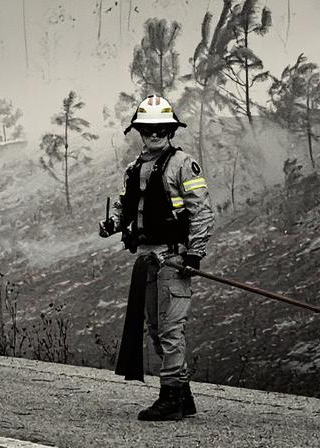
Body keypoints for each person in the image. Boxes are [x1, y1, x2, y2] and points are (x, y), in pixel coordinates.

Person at [99, 94, 214, 421]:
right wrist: (112, 224)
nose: (155, 133)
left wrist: (195, 254)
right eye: (148, 128)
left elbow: (202, 212)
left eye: (161, 128)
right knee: (154, 329)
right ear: (139, 131)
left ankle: (170, 398)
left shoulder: (183, 164)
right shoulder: (134, 168)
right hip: (147, 261)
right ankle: (184, 396)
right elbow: (126, 206)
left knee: (170, 330)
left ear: (170, 130)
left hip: (174, 260)